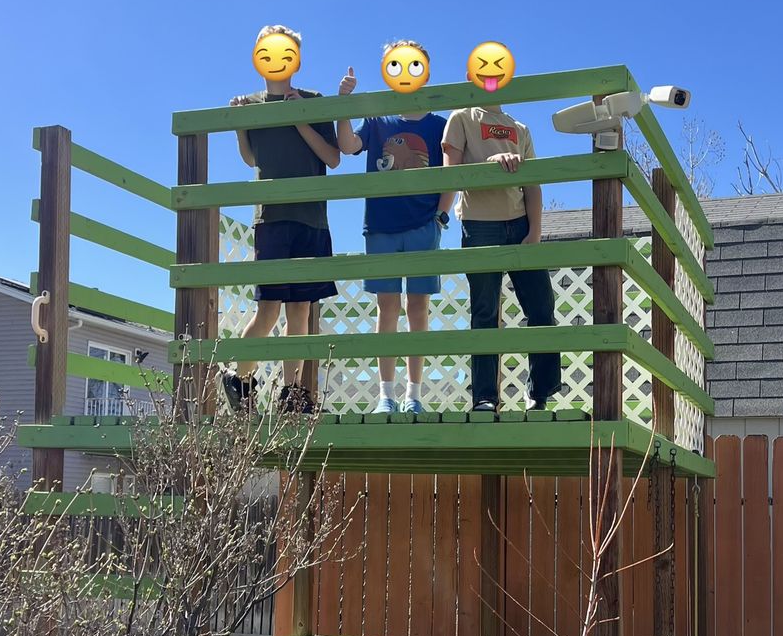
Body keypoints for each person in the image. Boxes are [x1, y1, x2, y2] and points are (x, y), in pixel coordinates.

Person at [224, 24, 340, 414]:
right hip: (271, 218)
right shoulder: (250, 104)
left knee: (301, 312)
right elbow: (252, 159)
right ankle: (239, 379)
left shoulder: (314, 100)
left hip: (311, 219)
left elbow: (333, 158)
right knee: (268, 310)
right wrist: (239, 122)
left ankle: (293, 395)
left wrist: (299, 117)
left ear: (297, 57)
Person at [336, 44, 454, 414]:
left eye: (413, 64)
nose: (406, 71)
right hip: (381, 226)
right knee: (386, 308)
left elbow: (451, 172)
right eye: (396, 65)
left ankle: (413, 395)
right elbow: (347, 145)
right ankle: (385, 395)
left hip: (423, 224)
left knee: (417, 308)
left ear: (426, 72)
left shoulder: (439, 124)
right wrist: (343, 104)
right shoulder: (378, 122)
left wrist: (441, 215)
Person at [442, 97, 560, 412]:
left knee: (542, 306)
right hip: (479, 224)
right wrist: (490, 165)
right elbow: (449, 172)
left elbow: (533, 184)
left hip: (520, 223)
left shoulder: (519, 128)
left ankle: (540, 394)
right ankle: (484, 397)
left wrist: (534, 231)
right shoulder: (462, 116)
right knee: (485, 312)